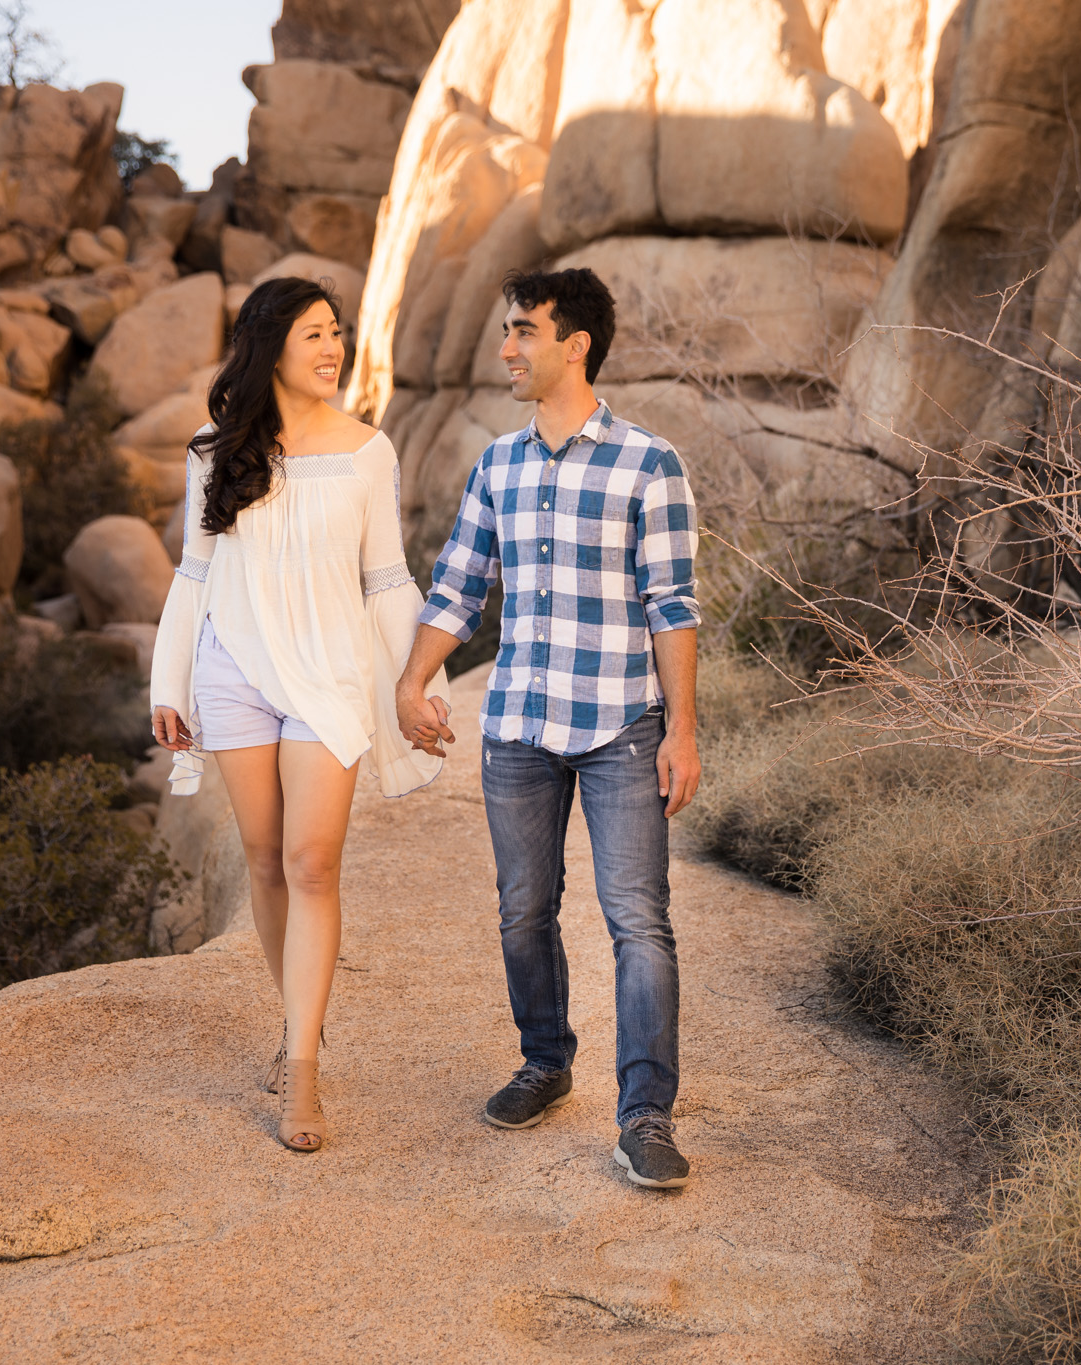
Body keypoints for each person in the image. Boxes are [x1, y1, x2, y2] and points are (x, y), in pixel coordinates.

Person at [394, 267, 702, 1190]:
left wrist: (682, 730)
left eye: (524, 331)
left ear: (576, 345)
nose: (507, 349)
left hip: (620, 725)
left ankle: (644, 1115)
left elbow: (673, 606)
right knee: (523, 910)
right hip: (519, 726)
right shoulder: (499, 464)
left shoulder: (650, 463)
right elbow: (457, 585)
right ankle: (546, 1060)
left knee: (637, 920)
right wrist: (413, 679)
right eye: (505, 332)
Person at [149, 276, 449, 1155]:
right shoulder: (216, 451)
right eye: (315, 333)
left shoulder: (368, 451)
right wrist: (170, 684)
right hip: (233, 670)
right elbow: (195, 574)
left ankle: (305, 1068)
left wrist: (415, 681)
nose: (333, 348)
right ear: (270, 343)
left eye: (338, 333)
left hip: (327, 676)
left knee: (312, 862)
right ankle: (295, 1030)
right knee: (265, 865)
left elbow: (386, 579)